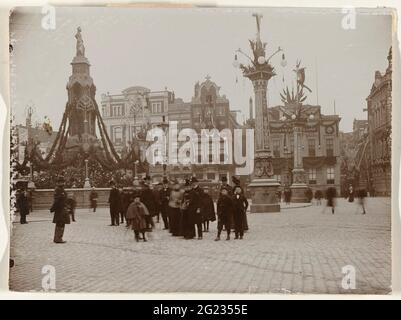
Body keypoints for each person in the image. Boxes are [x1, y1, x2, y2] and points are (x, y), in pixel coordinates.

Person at [50, 176, 70, 243]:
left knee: (61, 224)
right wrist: (52, 209)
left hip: (63, 209)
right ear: (58, 183)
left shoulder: (62, 190)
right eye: (61, 182)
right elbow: (57, 200)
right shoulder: (58, 190)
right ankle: (58, 238)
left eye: (63, 182)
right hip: (59, 210)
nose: (62, 183)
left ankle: (58, 238)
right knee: (60, 224)